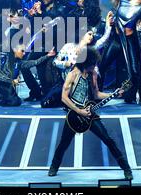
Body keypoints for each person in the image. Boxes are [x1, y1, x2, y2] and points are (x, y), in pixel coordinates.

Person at [48, 47, 133, 180]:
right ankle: (54, 167)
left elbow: (96, 94)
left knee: (108, 139)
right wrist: (78, 110)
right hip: (74, 115)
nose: (94, 67)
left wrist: (114, 94)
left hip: (89, 113)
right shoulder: (73, 74)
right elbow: (64, 98)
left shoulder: (93, 74)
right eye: (92, 64)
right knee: (64, 143)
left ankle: (126, 169)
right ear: (85, 62)